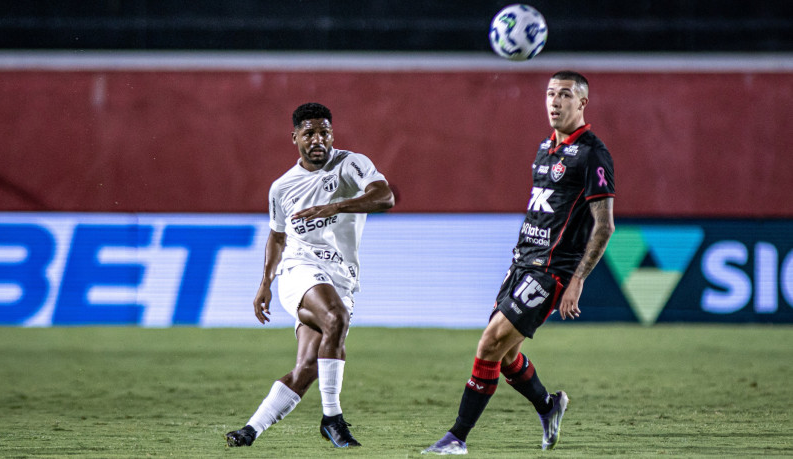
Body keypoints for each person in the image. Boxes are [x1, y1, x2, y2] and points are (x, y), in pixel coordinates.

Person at [423, 70, 615, 454]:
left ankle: (457, 437)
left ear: (582, 102)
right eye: (549, 94)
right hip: (521, 265)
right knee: (507, 354)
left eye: (564, 94)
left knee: (490, 343)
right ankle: (548, 405)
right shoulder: (546, 149)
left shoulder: (593, 153)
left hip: (551, 272)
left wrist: (577, 279)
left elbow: (605, 225)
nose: (555, 101)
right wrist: (517, 260)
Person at [225, 102, 395, 449]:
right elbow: (277, 236)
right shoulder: (282, 188)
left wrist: (333, 206)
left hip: (341, 277)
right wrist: (264, 284)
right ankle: (332, 419)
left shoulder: (352, 164)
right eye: (309, 133)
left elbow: (385, 197)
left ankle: (249, 432)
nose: (318, 139)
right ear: (295, 138)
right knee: (335, 317)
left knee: (308, 368)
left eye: (325, 132)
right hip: (299, 269)